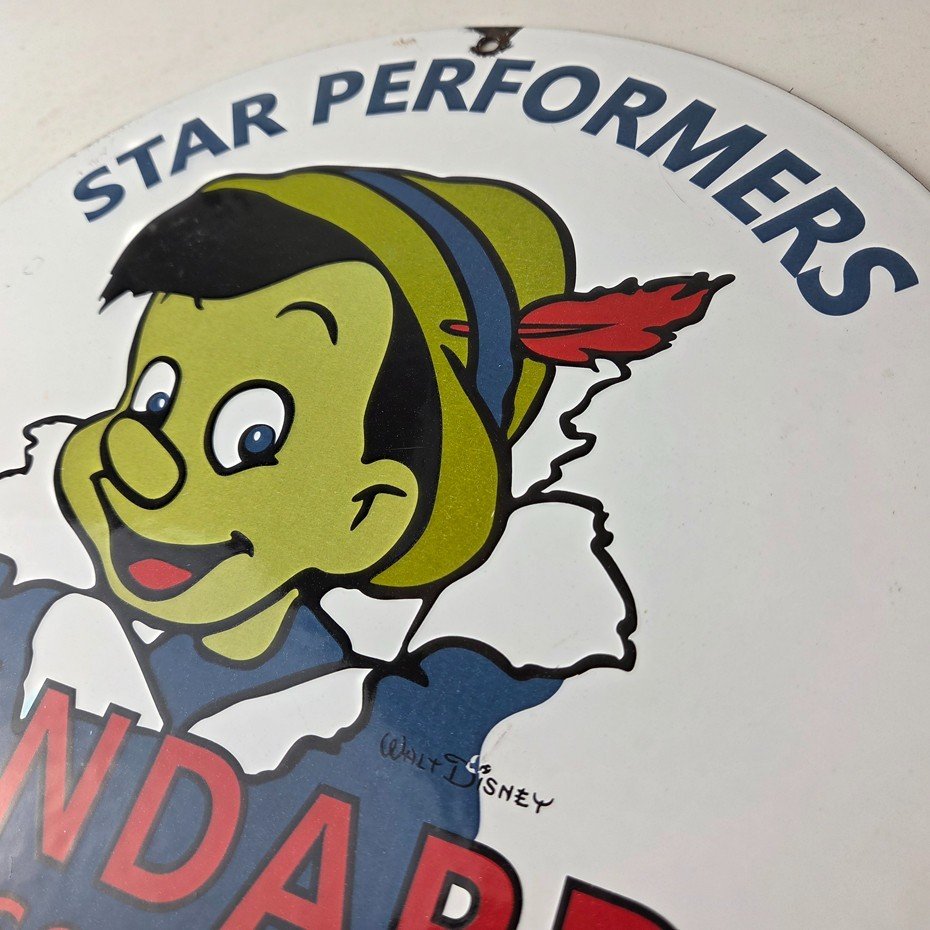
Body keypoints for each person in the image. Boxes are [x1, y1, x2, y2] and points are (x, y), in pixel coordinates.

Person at [0, 167, 731, 927]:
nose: (142, 467)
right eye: (153, 400)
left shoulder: (385, 733)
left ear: (374, 509)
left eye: (254, 438)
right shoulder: (31, 617)